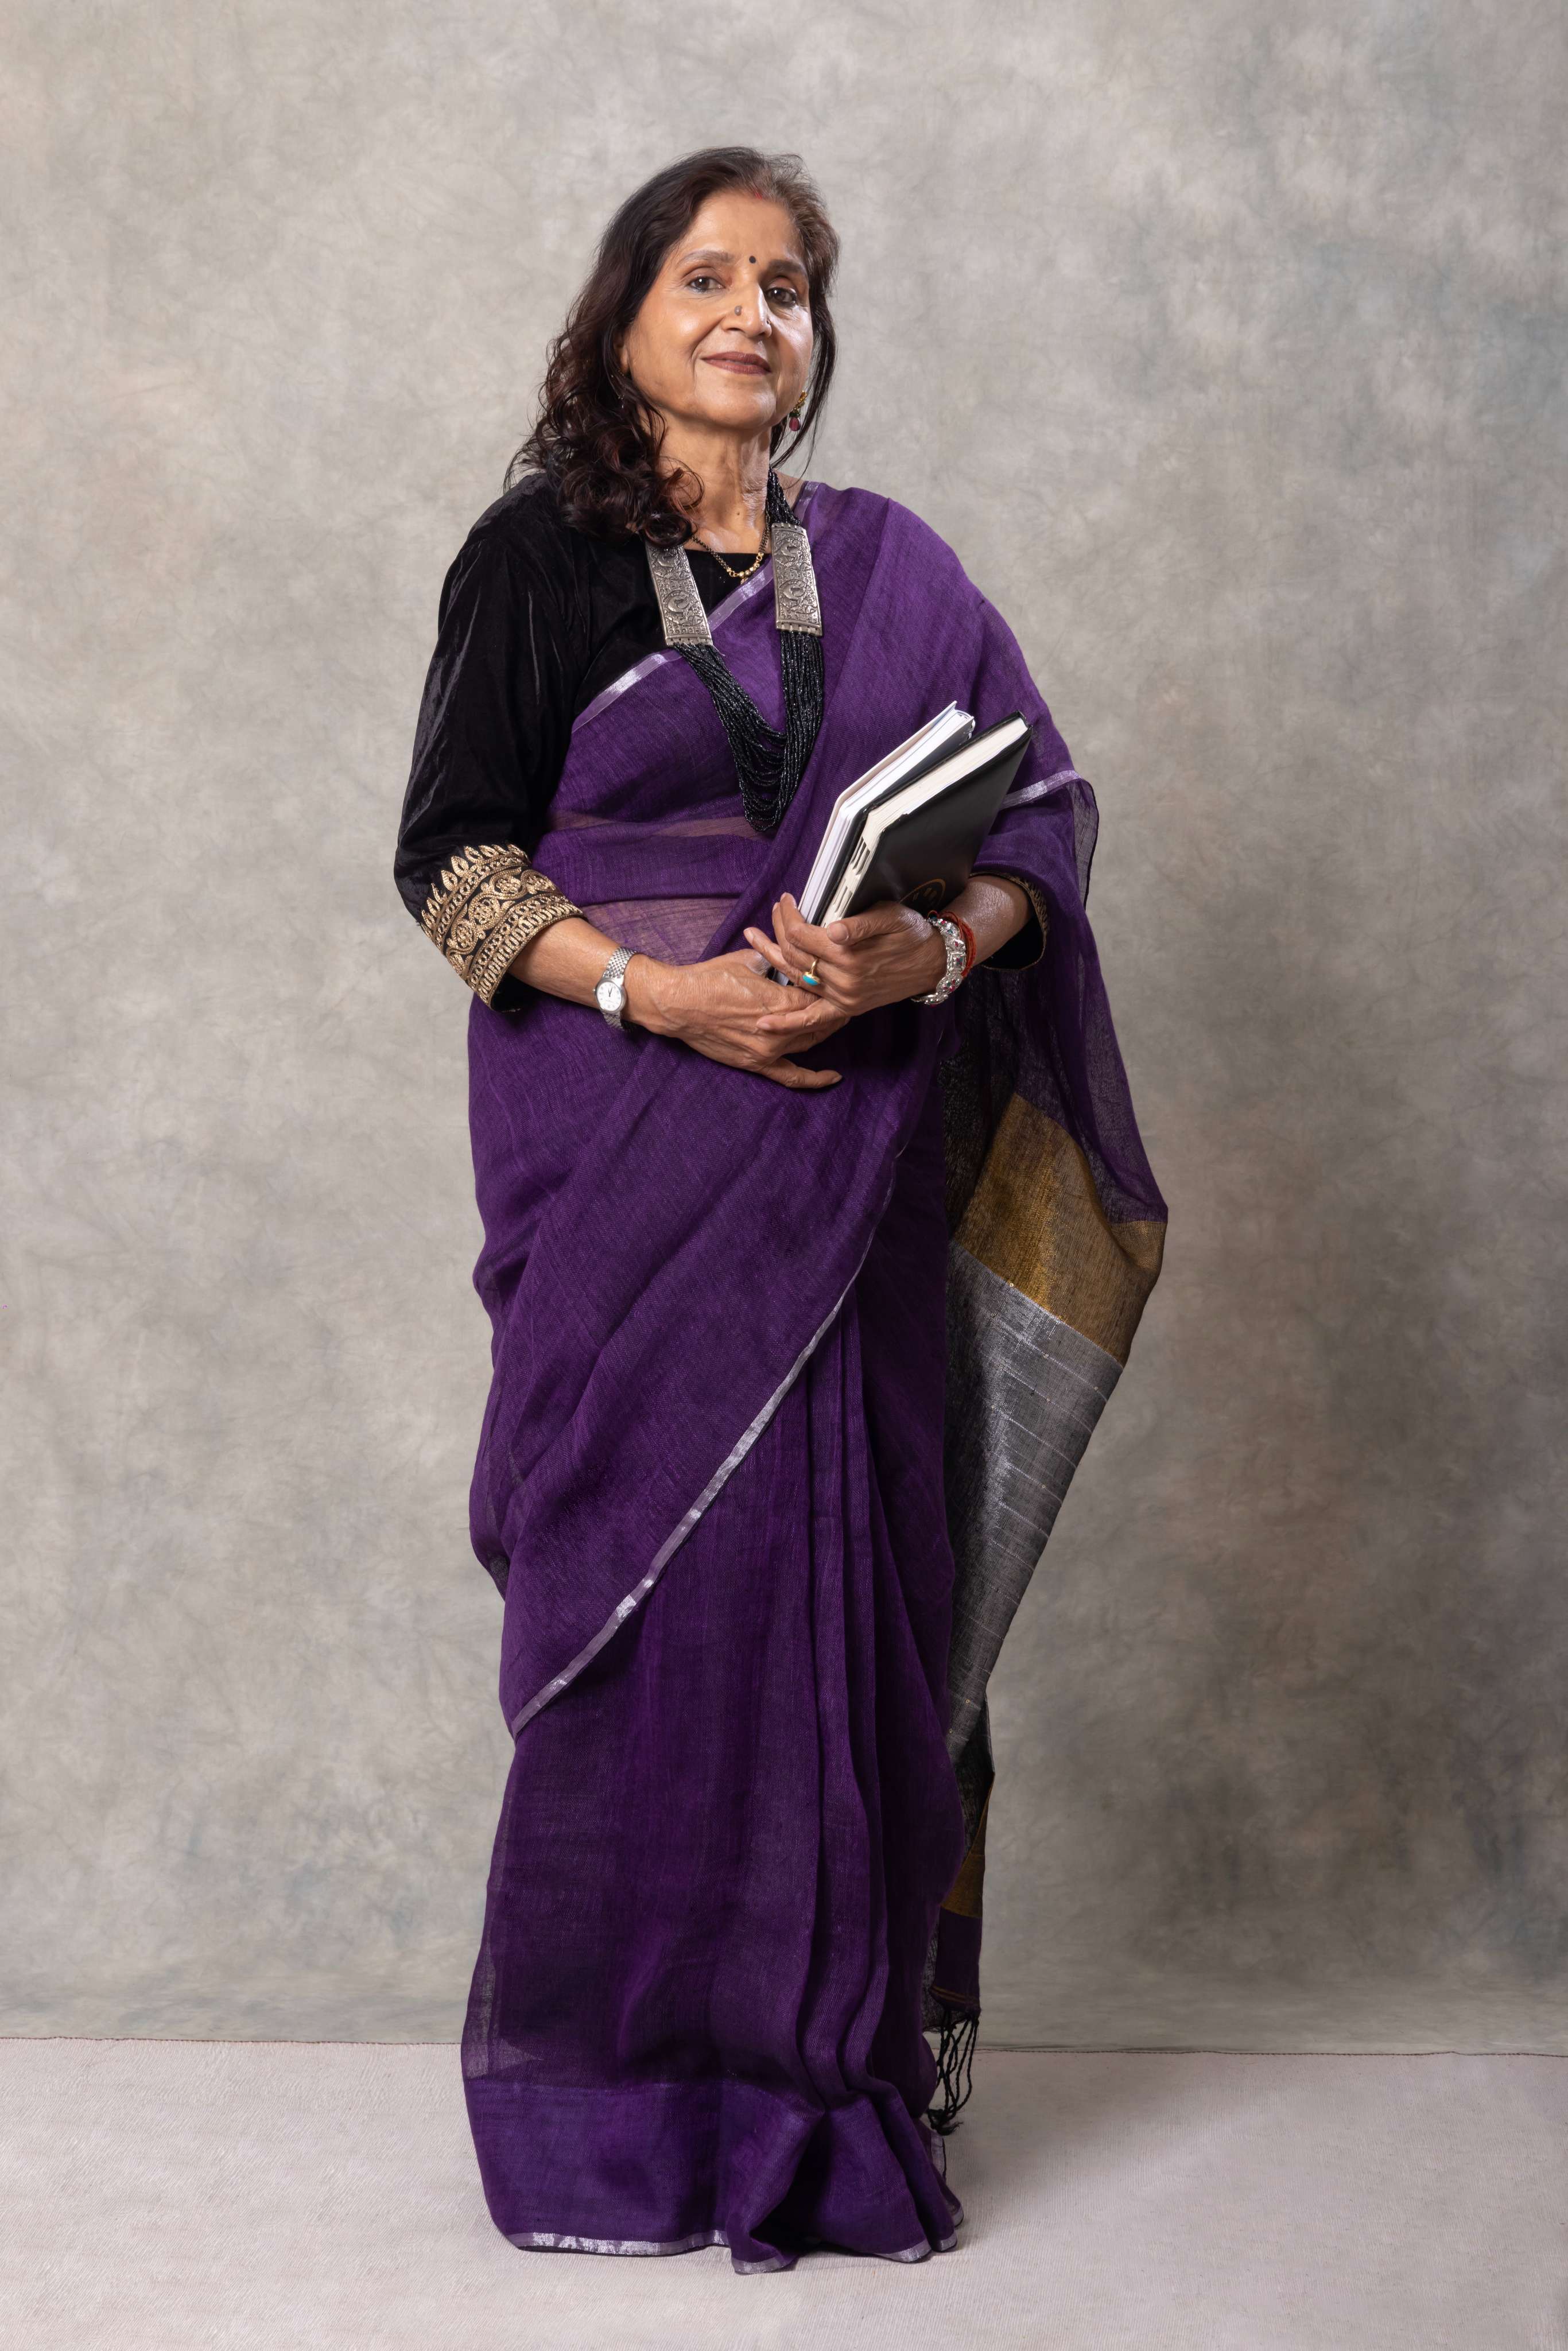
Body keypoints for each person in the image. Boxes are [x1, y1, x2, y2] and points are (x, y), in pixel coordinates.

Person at [394, 145, 1166, 2274]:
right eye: (710, 275)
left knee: (851, 1618)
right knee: (648, 1622)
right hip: (631, 1180)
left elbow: (1046, 817)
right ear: (626, 311)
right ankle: (621, 2124)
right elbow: (454, 866)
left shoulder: (894, 566)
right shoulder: (536, 560)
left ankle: (831, 2103)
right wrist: (663, 992)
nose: (753, 313)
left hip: (855, 1184)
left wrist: (940, 950)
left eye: (791, 285)